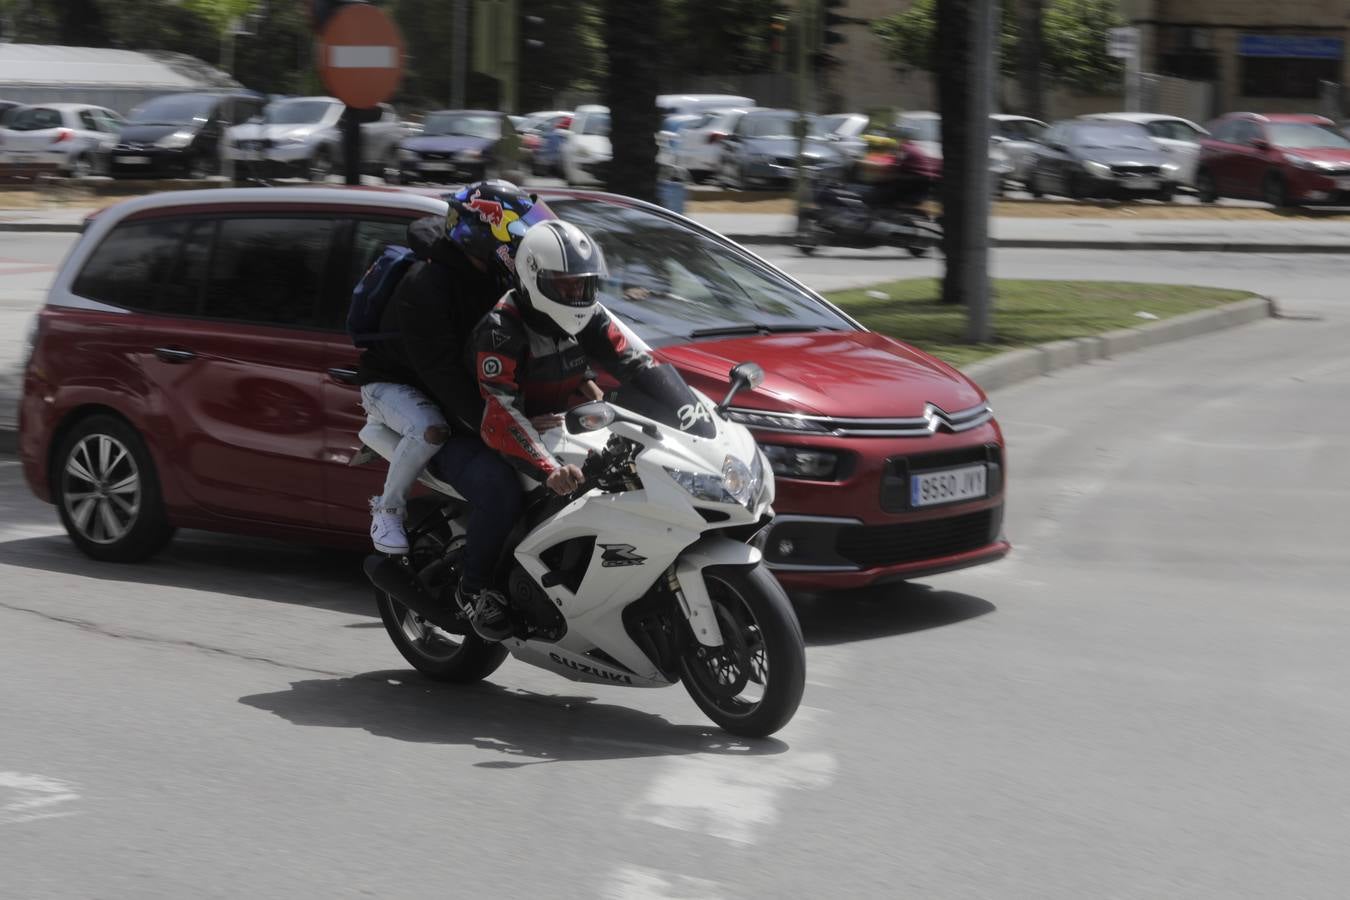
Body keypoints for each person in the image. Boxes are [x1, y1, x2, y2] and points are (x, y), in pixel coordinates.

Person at [455, 218, 656, 641]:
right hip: (491, 432)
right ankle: (473, 590)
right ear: (533, 278)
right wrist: (548, 468)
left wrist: (690, 412)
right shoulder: (500, 328)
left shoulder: (589, 315)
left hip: (556, 426)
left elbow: (638, 363)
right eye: (565, 287)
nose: (577, 296)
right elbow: (500, 411)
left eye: (583, 285)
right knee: (501, 494)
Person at [355, 181, 557, 555]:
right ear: (481, 234)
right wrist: (505, 424)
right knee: (431, 428)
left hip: (454, 390)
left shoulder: (495, 275)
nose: (524, 242)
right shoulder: (425, 286)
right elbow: (441, 373)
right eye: (515, 233)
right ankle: (387, 509)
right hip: (397, 386)